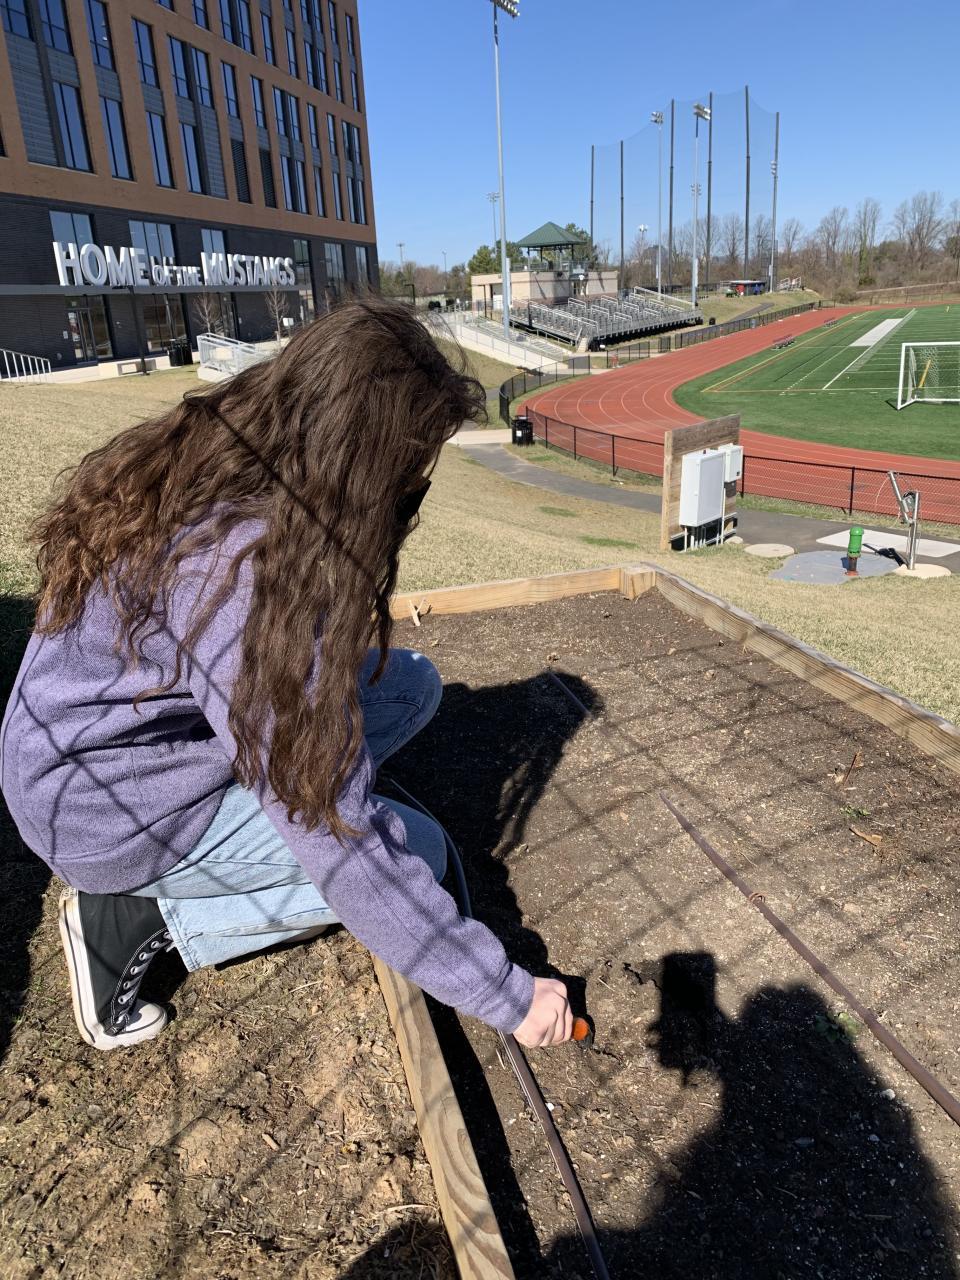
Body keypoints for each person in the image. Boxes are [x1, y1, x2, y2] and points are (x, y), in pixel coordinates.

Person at [1, 297, 572, 1053]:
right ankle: (134, 918)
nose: (412, 494)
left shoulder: (229, 453)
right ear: (360, 466)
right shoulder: (241, 570)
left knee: (411, 686)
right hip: (104, 816)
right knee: (420, 853)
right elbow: (339, 841)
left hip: (113, 749)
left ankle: (243, 816)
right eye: (408, 475)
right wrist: (505, 994)